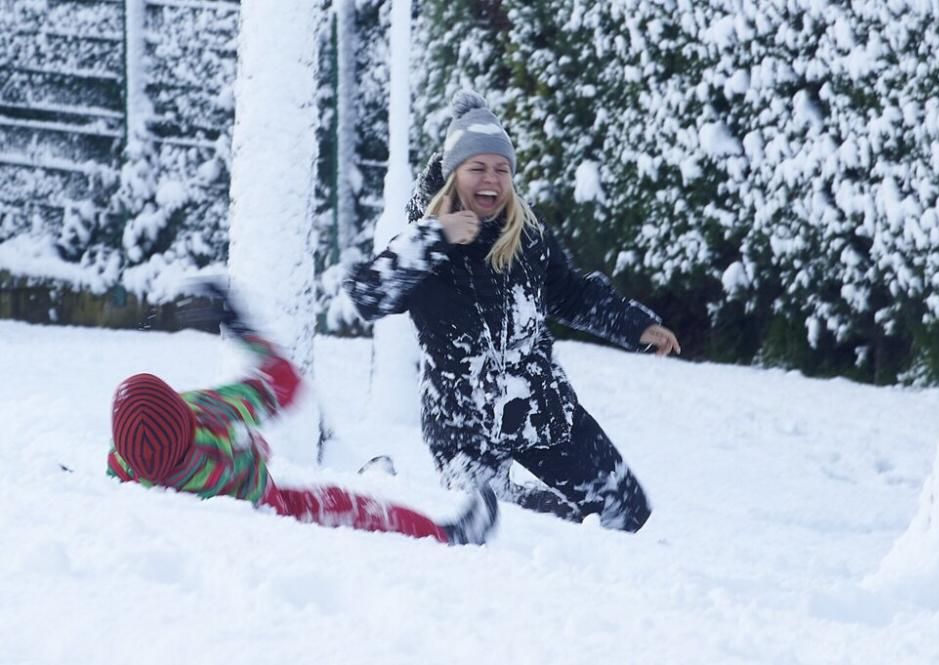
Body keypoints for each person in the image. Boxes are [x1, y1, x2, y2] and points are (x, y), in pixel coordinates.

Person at [345, 91, 680, 532]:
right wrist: (435, 236)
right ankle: (391, 492)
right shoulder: (424, 243)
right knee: (497, 524)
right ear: (453, 174)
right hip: (464, 428)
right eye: (477, 168)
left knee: (625, 512)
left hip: (541, 409)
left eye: (502, 169)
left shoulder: (528, 236)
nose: (492, 179)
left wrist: (636, 326)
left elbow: (573, 294)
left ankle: (560, 527)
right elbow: (368, 295)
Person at [106, 280, 498, 546]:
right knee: (356, 509)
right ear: (182, 412)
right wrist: (239, 326)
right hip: (270, 507)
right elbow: (284, 383)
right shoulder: (207, 418)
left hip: (244, 499)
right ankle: (447, 535)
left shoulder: (123, 466)